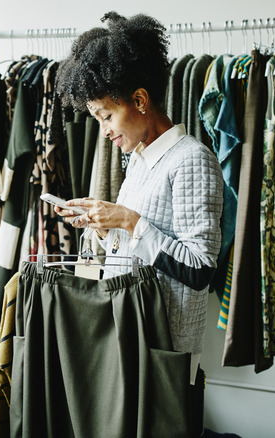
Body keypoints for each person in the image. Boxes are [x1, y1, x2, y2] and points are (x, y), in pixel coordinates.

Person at [54, 11, 224, 431]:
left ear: (141, 100)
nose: (105, 131)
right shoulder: (139, 161)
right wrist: (101, 223)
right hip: (131, 336)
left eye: (107, 117)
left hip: (166, 349)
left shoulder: (191, 160)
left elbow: (200, 268)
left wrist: (129, 221)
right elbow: (140, 247)